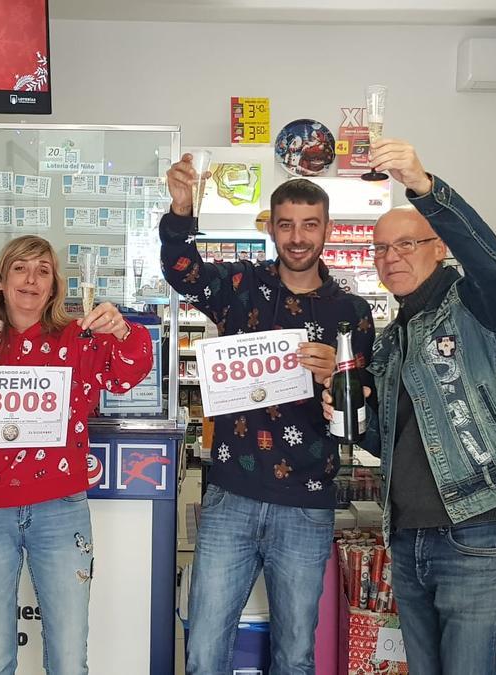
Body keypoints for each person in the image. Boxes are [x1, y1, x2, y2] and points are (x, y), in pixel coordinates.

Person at [324, 139, 496, 675]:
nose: (391, 258)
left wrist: (424, 186)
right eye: (380, 249)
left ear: (440, 245)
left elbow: (495, 267)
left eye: (406, 245)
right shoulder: (388, 339)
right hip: (406, 537)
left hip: (473, 529)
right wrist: (345, 408)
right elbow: (385, 441)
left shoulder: (475, 306)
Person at [0, 235, 153, 675]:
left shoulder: (80, 341)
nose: (31, 279)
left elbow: (130, 373)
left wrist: (125, 330)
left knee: (70, 660)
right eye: (20, 268)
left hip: (60, 510)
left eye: (43, 270)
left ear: (55, 286)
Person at [162, 156, 375, 674]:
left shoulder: (352, 313)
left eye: (309, 225)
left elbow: (362, 411)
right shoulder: (241, 285)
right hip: (232, 491)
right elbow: (183, 272)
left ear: (326, 229)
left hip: (308, 503)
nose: (298, 238)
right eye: (287, 225)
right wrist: (181, 212)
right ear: (272, 227)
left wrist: (341, 381)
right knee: (205, 644)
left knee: (295, 652)